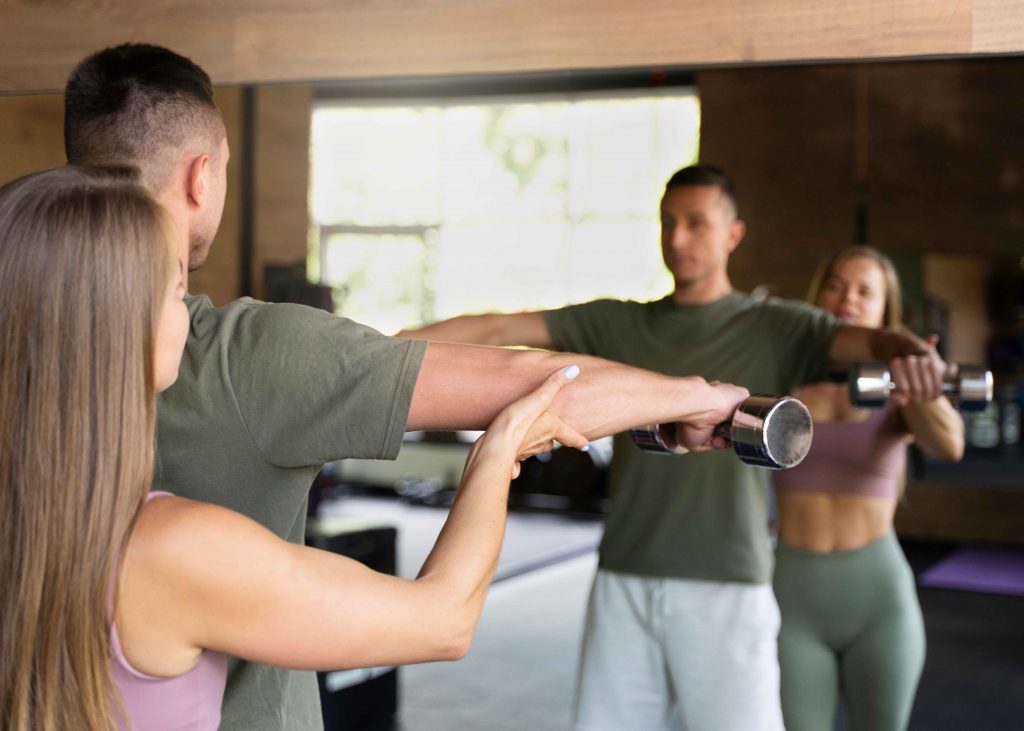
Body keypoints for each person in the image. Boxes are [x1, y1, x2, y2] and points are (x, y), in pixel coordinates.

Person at [63, 44, 752, 731]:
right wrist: (701, 399)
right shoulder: (228, 400)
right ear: (202, 177)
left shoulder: (37, 383)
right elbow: (542, 395)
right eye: (174, 295)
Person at [0, 165, 594, 731]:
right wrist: (495, 454)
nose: (188, 312)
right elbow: (443, 621)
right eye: (176, 292)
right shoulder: (168, 548)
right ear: (121, 327)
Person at [400, 165, 949, 730]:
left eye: (696, 222)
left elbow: (872, 339)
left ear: (733, 234)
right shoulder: (618, 323)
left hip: (729, 583)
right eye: (668, 222)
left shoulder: (779, 327)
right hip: (625, 574)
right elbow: (497, 331)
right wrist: (379, 352)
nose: (678, 237)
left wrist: (910, 352)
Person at [772, 245, 964, 731]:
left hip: (877, 597)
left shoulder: (900, 391)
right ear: (818, 297)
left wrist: (922, 387)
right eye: (836, 286)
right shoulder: (784, 379)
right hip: (793, 594)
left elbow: (949, 445)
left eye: (864, 291)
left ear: (885, 311)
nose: (848, 300)